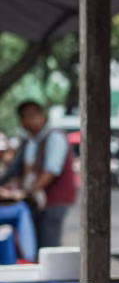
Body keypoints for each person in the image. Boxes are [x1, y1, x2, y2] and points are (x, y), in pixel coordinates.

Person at [0, 100, 77, 250]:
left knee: (49, 245)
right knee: (38, 243)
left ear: (40, 116)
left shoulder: (54, 137)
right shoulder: (32, 140)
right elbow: (27, 168)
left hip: (54, 200)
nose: (25, 122)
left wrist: (29, 192)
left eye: (29, 117)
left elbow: (52, 170)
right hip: (38, 200)